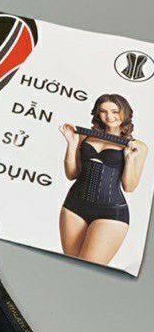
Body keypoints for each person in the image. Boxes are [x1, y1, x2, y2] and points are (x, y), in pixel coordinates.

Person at [59, 94, 148, 264]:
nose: (109, 116)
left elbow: (129, 187)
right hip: (74, 207)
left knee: (89, 270)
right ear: (97, 113)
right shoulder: (85, 136)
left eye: (115, 111)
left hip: (111, 213)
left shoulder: (138, 147)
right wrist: (71, 144)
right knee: (70, 267)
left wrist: (129, 159)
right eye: (103, 111)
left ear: (125, 112)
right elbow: (72, 174)